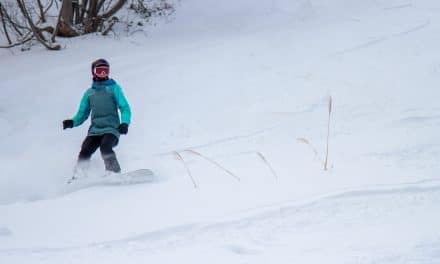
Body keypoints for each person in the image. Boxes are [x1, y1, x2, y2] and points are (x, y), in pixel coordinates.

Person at [63, 59, 131, 175]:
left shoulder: (114, 89)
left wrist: (124, 123)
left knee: (105, 148)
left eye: (106, 70)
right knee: (85, 149)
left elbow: (124, 107)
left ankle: (114, 172)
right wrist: (72, 122)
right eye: (100, 70)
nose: (103, 73)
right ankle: (79, 175)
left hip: (111, 129)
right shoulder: (89, 93)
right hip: (95, 131)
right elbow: (82, 114)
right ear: (94, 73)